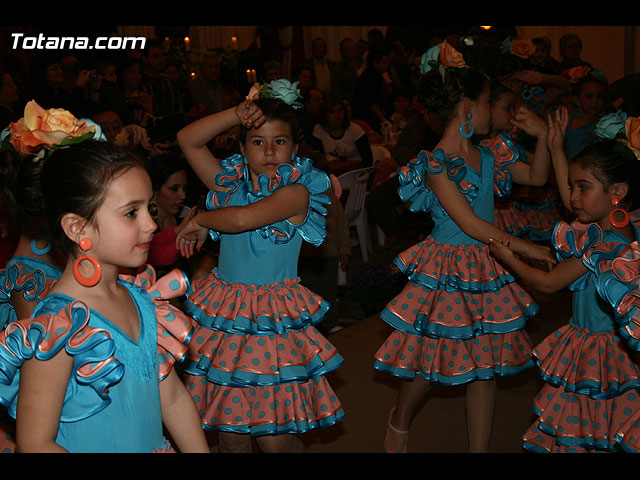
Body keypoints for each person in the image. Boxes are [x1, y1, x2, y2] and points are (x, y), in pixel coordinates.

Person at [373, 42, 555, 453]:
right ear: (468, 107)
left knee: (483, 365)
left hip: (488, 261)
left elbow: (538, 177)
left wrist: (543, 135)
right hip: (450, 268)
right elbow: (470, 224)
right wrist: (528, 248)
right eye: (489, 101)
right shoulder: (437, 162)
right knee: (432, 360)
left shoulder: (489, 153)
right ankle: (399, 419)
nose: (494, 110)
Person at [0, 139, 210, 453]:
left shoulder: (143, 301)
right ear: (77, 228)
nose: (151, 224)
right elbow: (36, 443)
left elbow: (173, 399)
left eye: (149, 208)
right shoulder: (58, 327)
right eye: (131, 213)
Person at [174, 87, 345, 453]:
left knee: (273, 439)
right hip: (228, 317)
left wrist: (201, 219)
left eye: (279, 141)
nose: (268, 152)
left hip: (272, 322)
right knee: (231, 434)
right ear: (241, 147)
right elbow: (187, 140)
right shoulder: (228, 185)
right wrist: (237, 114)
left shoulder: (297, 193)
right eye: (257, 141)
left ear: (294, 148)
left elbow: (241, 219)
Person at [489, 135, 640, 452]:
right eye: (572, 187)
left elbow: (548, 283)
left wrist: (508, 258)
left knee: (586, 424)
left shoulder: (607, 245)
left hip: (599, 351)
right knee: (600, 425)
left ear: (617, 192)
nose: (573, 197)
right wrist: (557, 149)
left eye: (583, 188)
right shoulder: (618, 226)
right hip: (604, 345)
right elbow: (577, 203)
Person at [487, 82, 565, 241]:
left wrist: (545, 137)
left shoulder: (505, 144)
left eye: (513, 108)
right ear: (489, 109)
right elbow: (536, 177)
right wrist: (543, 136)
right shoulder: (491, 148)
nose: (512, 114)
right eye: (507, 108)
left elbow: (537, 172)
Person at [144, 151, 197, 275]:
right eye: (174, 189)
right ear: (154, 189)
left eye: (184, 188)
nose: (182, 195)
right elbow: (156, 255)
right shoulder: (143, 224)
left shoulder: (186, 216)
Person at [309, 96, 373, 175]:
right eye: (332, 112)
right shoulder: (319, 129)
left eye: (339, 111)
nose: (337, 115)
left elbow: (368, 160)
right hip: (331, 174)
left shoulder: (355, 129)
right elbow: (318, 160)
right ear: (325, 115)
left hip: (357, 173)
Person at [563, 73, 606, 160]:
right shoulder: (566, 120)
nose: (595, 101)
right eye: (589, 96)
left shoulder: (605, 126)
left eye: (599, 97)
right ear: (577, 99)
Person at [353, 47, 391, 133]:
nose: (387, 64)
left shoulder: (376, 75)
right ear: (375, 63)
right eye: (384, 62)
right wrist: (384, 120)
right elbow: (373, 103)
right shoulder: (371, 78)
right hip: (367, 118)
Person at [189, 52, 231, 117]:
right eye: (209, 66)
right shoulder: (193, 88)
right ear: (201, 69)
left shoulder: (220, 87)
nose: (213, 70)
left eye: (216, 67)